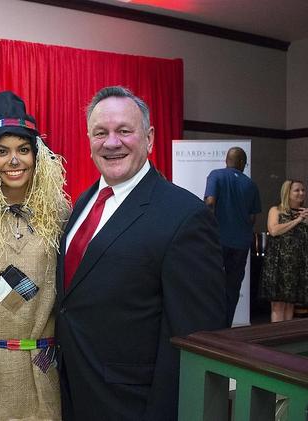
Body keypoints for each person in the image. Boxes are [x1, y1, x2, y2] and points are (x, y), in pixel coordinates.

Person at [55, 86, 227, 421]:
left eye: (124, 131)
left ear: (149, 139)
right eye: (100, 133)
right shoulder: (82, 202)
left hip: (133, 405)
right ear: (89, 140)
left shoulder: (185, 216)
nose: (111, 142)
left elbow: (194, 338)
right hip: (74, 393)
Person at [0, 91, 70, 420]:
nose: (14, 160)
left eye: (23, 150)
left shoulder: (59, 214)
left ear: (37, 155)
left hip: (40, 363)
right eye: (1, 151)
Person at [204, 147, 261, 326]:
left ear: (226, 160)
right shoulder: (251, 184)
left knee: (210, 283)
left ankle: (208, 326)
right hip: (240, 244)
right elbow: (252, 217)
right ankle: (225, 326)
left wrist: (208, 228)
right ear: (242, 163)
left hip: (217, 240)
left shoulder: (216, 175)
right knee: (232, 287)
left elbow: (210, 202)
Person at [259, 180, 308, 322]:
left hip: (297, 264)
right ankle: (276, 334)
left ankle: (287, 333)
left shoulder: (305, 213)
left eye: (303, 190)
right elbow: (274, 230)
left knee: (290, 305)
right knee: (278, 305)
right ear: (287, 192)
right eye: (297, 190)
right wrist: (297, 221)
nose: (301, 193)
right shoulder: (276, 210)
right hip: (278, 264)